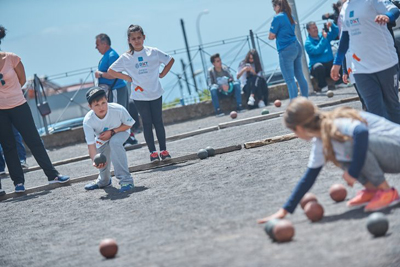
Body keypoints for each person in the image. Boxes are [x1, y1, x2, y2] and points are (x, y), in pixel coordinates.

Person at [258, 97, 400, 223]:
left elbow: (361, 132)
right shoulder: (321, 140)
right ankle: (373, 189)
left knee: (349, 145)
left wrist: (353, 172)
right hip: (390, 155)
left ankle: (387, 191)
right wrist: (285, 210)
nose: (295, 135)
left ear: (300, 128)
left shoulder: (335, 123)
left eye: (293, 131)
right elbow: (309, 177)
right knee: (336, 152)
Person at [0, 25, 69, 193]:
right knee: (8, 146)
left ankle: (52, 175)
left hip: (19, 106)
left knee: (34, 141)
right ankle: (18, 183)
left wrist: (11, 94)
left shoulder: (12, 58)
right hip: (0, 111)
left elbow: (22, 80)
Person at [108, 24, 174, 162]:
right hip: (139, 96)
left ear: (144, 38)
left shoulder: (153, 52)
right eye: (133, 38)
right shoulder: (126, 57)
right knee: (147, 123)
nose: (137, 40)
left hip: (155, 93)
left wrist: (162, 74)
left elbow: (170, 60)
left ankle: (163, 150)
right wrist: (126, 77)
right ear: (129, 40)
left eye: (139, 37)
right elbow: (111, 70)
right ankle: (153, 153)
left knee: (158, 122)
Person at [331, 0, 400, 124]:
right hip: (361, 69)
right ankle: (381, 143)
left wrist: (387, 16)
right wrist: (337, 63)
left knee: (392, 108)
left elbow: (395, 10)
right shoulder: (345, 9)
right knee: (374, 112)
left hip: (385, 62)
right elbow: (345, 38)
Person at [82, 88, 134, 192]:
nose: (101, 107)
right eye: (96, 105)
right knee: (101, 159)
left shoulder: (118, 109)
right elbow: (91, 145)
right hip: (102, 139)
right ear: (90, 106)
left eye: (103, 103)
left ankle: (126, 180)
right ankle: (104, 181)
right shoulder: (88, 121)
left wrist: (113, 132)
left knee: (114, 142)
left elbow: (129, 124)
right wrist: (94, 161)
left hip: (121, 131)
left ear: (107, 100)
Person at [95, 33, 138, 146]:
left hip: (116, 89)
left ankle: (127, 138)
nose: (96, 47)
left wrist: (100, 74)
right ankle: (126, 137)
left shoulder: (112, 55)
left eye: (97, 44)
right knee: (116, 115)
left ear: (104, 43)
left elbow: (115, 74)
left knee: (118, 115)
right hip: (113, 90)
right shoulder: (107, 55)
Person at [269, 0, 309, 100]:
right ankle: (305, 102)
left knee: (290, 80)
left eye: (274, 6)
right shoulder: (291, 16)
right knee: (300, 76)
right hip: (296, 46)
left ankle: (293, 106)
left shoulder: (277, 18)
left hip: (286, 50)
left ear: (279, 6)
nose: (273, 8)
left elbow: (271, 36)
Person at [305, 21, 339, 92]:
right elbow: (317, 51)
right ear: (308, 30)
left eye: (316, 27)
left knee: (339, 59)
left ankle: (340, 82)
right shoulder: (308, 43)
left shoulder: (323, 35)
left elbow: (335, 32)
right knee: (318, 67)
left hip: (329, 63)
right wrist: (324, 39)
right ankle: (323, 86)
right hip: (318, 67)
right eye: (313, 28)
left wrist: (332, 25)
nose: (316, 29)